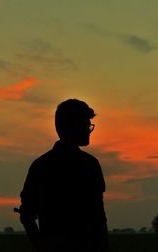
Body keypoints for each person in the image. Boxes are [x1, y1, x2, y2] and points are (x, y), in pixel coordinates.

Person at [15, 99, 108, 251]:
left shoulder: (40, 165)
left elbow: (27, 216)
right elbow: (99, 218)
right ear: (74, 126)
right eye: (86, 125)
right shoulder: (90, 165)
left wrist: (41, 245)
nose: (89, 130)